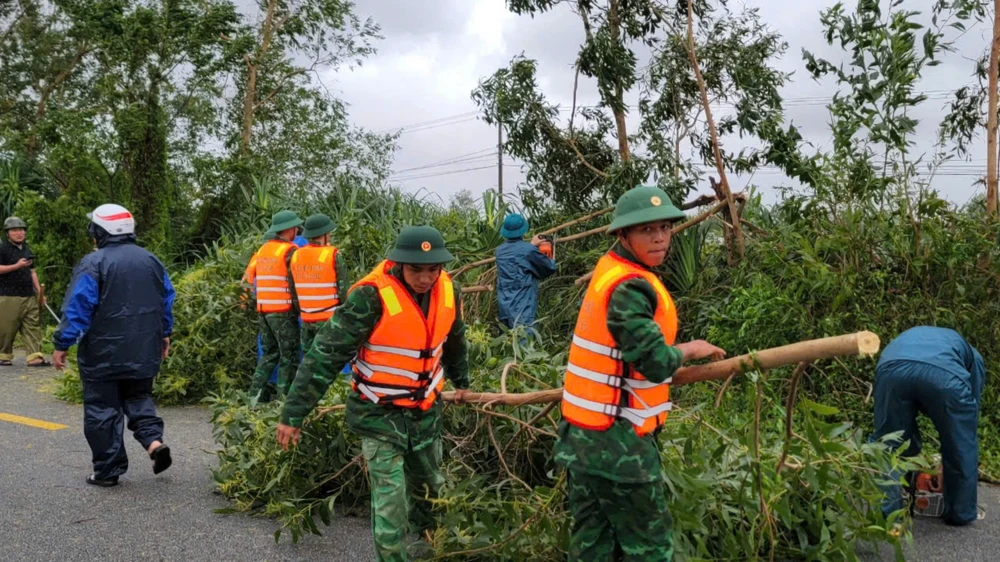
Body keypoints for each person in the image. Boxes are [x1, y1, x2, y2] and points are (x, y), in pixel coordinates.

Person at [554, 185, 727, 561]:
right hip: (620, 445)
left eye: (664, 227)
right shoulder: (630, 286)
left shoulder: (611, 269)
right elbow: (654, 363)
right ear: (623, 234)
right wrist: (691, 349)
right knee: (649, 547)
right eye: (647, 230)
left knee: (592, 544)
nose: (660, 237)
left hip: (582, 438)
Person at [276, 225, 469, 562]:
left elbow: (455, 340)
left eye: (432, 269)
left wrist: (461, 381)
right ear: (398, 263)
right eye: (416, 269)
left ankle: (428, 550)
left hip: (425, 411)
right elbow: (326, 354)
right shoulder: (371, 296)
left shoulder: (450, 291)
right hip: (378, 414)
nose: (425, 278)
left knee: (431, 491)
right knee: (391, 500)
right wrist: (293, 414)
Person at [52, 204, 175, 487]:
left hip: (102, 353)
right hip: (144, 348)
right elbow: (166, 300)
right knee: (138, 397)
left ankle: (107, 471)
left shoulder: (93, 263)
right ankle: (154, 443)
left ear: (99, 231)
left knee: (102, 409)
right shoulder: (151, 260)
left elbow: (78, 308)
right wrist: (164, 333)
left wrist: (62, 343)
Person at [871, 326, 985, 526]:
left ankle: (889, 513)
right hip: (944, 375)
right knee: (960, 445)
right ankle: (960, 513)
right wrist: (949, 454)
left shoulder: (930, 338)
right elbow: (967, 418)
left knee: (889, 441)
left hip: (892, 368)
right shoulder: (974, 358)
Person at [246, 210, 303, 399]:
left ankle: (255, 398)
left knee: (269, 355)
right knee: (290, 356)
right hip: (283, 311)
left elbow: (249, 279)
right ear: (290, 229)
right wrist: (300, 308)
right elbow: (294, 283)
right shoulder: (290, 250)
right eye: (295, 227)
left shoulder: (263, 250)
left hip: (264, 310)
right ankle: (284, 400)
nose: (297, 230)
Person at [290, 213, 350, 352]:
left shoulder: (296, 255)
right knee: (331, 361)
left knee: (309, 363)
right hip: (329, 320)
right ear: (325, 234)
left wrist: (303, 311)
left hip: (306, 319)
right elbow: (343, 290)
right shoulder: (333, 254)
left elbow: (293, 290)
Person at [0, 216, 48, 366]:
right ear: (8, 233)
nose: (19, 233)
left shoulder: (27, 249)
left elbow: (32, 272)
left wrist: (40, 292)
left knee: (33, 325)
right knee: (7, 327)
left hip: (29, 294)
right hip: (8, 295)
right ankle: (3, 355)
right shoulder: (2, 249)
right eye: (14, 230)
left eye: (21, 230)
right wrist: (16, 266)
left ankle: (35, 357)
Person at [495, 213, 556, 330]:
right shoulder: (528, 250)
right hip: (522, 306)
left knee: (508, 341)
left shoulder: (499, 251)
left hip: (504, 305)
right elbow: (549, 268)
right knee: (523, 341)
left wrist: (532, 245)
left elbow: (519, 258)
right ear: (522, 231)